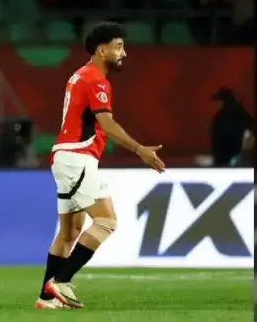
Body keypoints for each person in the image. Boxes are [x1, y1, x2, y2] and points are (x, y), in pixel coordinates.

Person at [38, 22, 166, 309]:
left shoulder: (79, 75)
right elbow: (105, 121)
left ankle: (46, 298)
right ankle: (60, 281)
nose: (124, 53)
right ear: (101, 49)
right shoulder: (95, 79)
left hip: (67, 157)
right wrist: (139, 149)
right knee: (106, 221)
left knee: (69, 232)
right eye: (118, 47)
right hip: (77, 158)